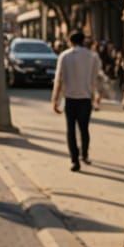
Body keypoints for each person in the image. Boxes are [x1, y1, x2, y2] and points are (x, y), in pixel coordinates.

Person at [51, 31, 102, 172]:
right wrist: (97, 95)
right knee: (84, 129)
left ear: (70, 41)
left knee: (71, 130)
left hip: (70, 99)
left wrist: (55, 100)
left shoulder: (64, 56)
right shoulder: (92, 56)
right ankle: (84, 155)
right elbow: (97, 78)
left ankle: (74, 161)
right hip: (86, 99)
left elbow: (59, 79)